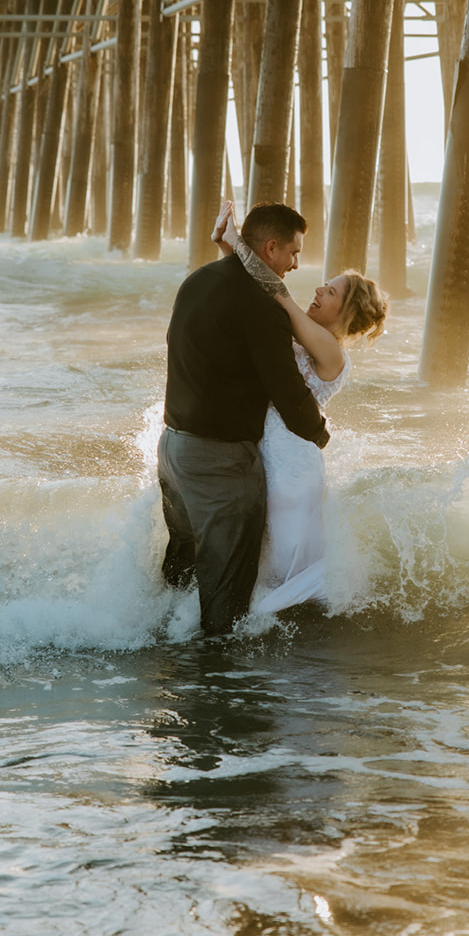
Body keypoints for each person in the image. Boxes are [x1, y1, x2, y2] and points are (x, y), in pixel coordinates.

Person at [158, 202, 329, 636]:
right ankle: (219, 691)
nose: (296, 263)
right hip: (220, 464)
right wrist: (318, 433)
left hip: (174, 451)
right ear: (271, 248)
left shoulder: (197, 281)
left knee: (182, 571)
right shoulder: (258, 306)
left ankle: (159, 648)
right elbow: (288, 390)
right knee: (226, 592)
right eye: (293, 252)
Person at [212, 201, 388, 617]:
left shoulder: (331, 350)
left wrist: (237, 243)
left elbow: (275, 295)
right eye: (324, 285)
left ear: (346, 312)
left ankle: (273, 646)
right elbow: (260, 296)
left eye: (331, 292)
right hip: (271, 455)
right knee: (266, 562)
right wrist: (229, 251)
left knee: (282, 570)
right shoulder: (311, 337)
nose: (318, 291)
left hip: (292, 467)